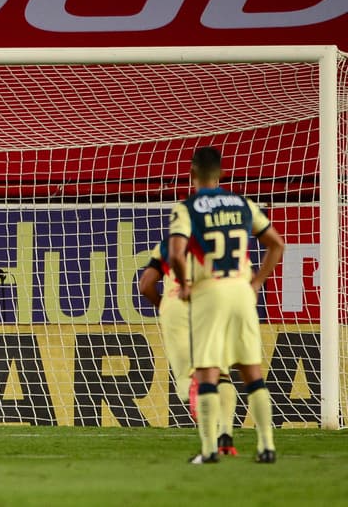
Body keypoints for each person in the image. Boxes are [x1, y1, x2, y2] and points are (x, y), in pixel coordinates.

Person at [168, 146, 285, 464]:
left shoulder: (187, 208)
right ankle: (266, 446)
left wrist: (186, 284)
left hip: (211, 290)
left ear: (192, 172)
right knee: (252, 373)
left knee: (208, 372)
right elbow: (277, 243)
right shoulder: (243, 204)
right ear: (221, 174)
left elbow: (176, 254)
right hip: (242, 291)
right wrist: (257, 281)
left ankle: (208, 451)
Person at [138, 238, 239, 454]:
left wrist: (165, 305)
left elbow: (145, 285)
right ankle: (226, 436)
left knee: (189, 379)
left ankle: (198, 398)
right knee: (221, 374)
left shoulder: (169, 244)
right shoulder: (222, 241)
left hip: (177, 307)